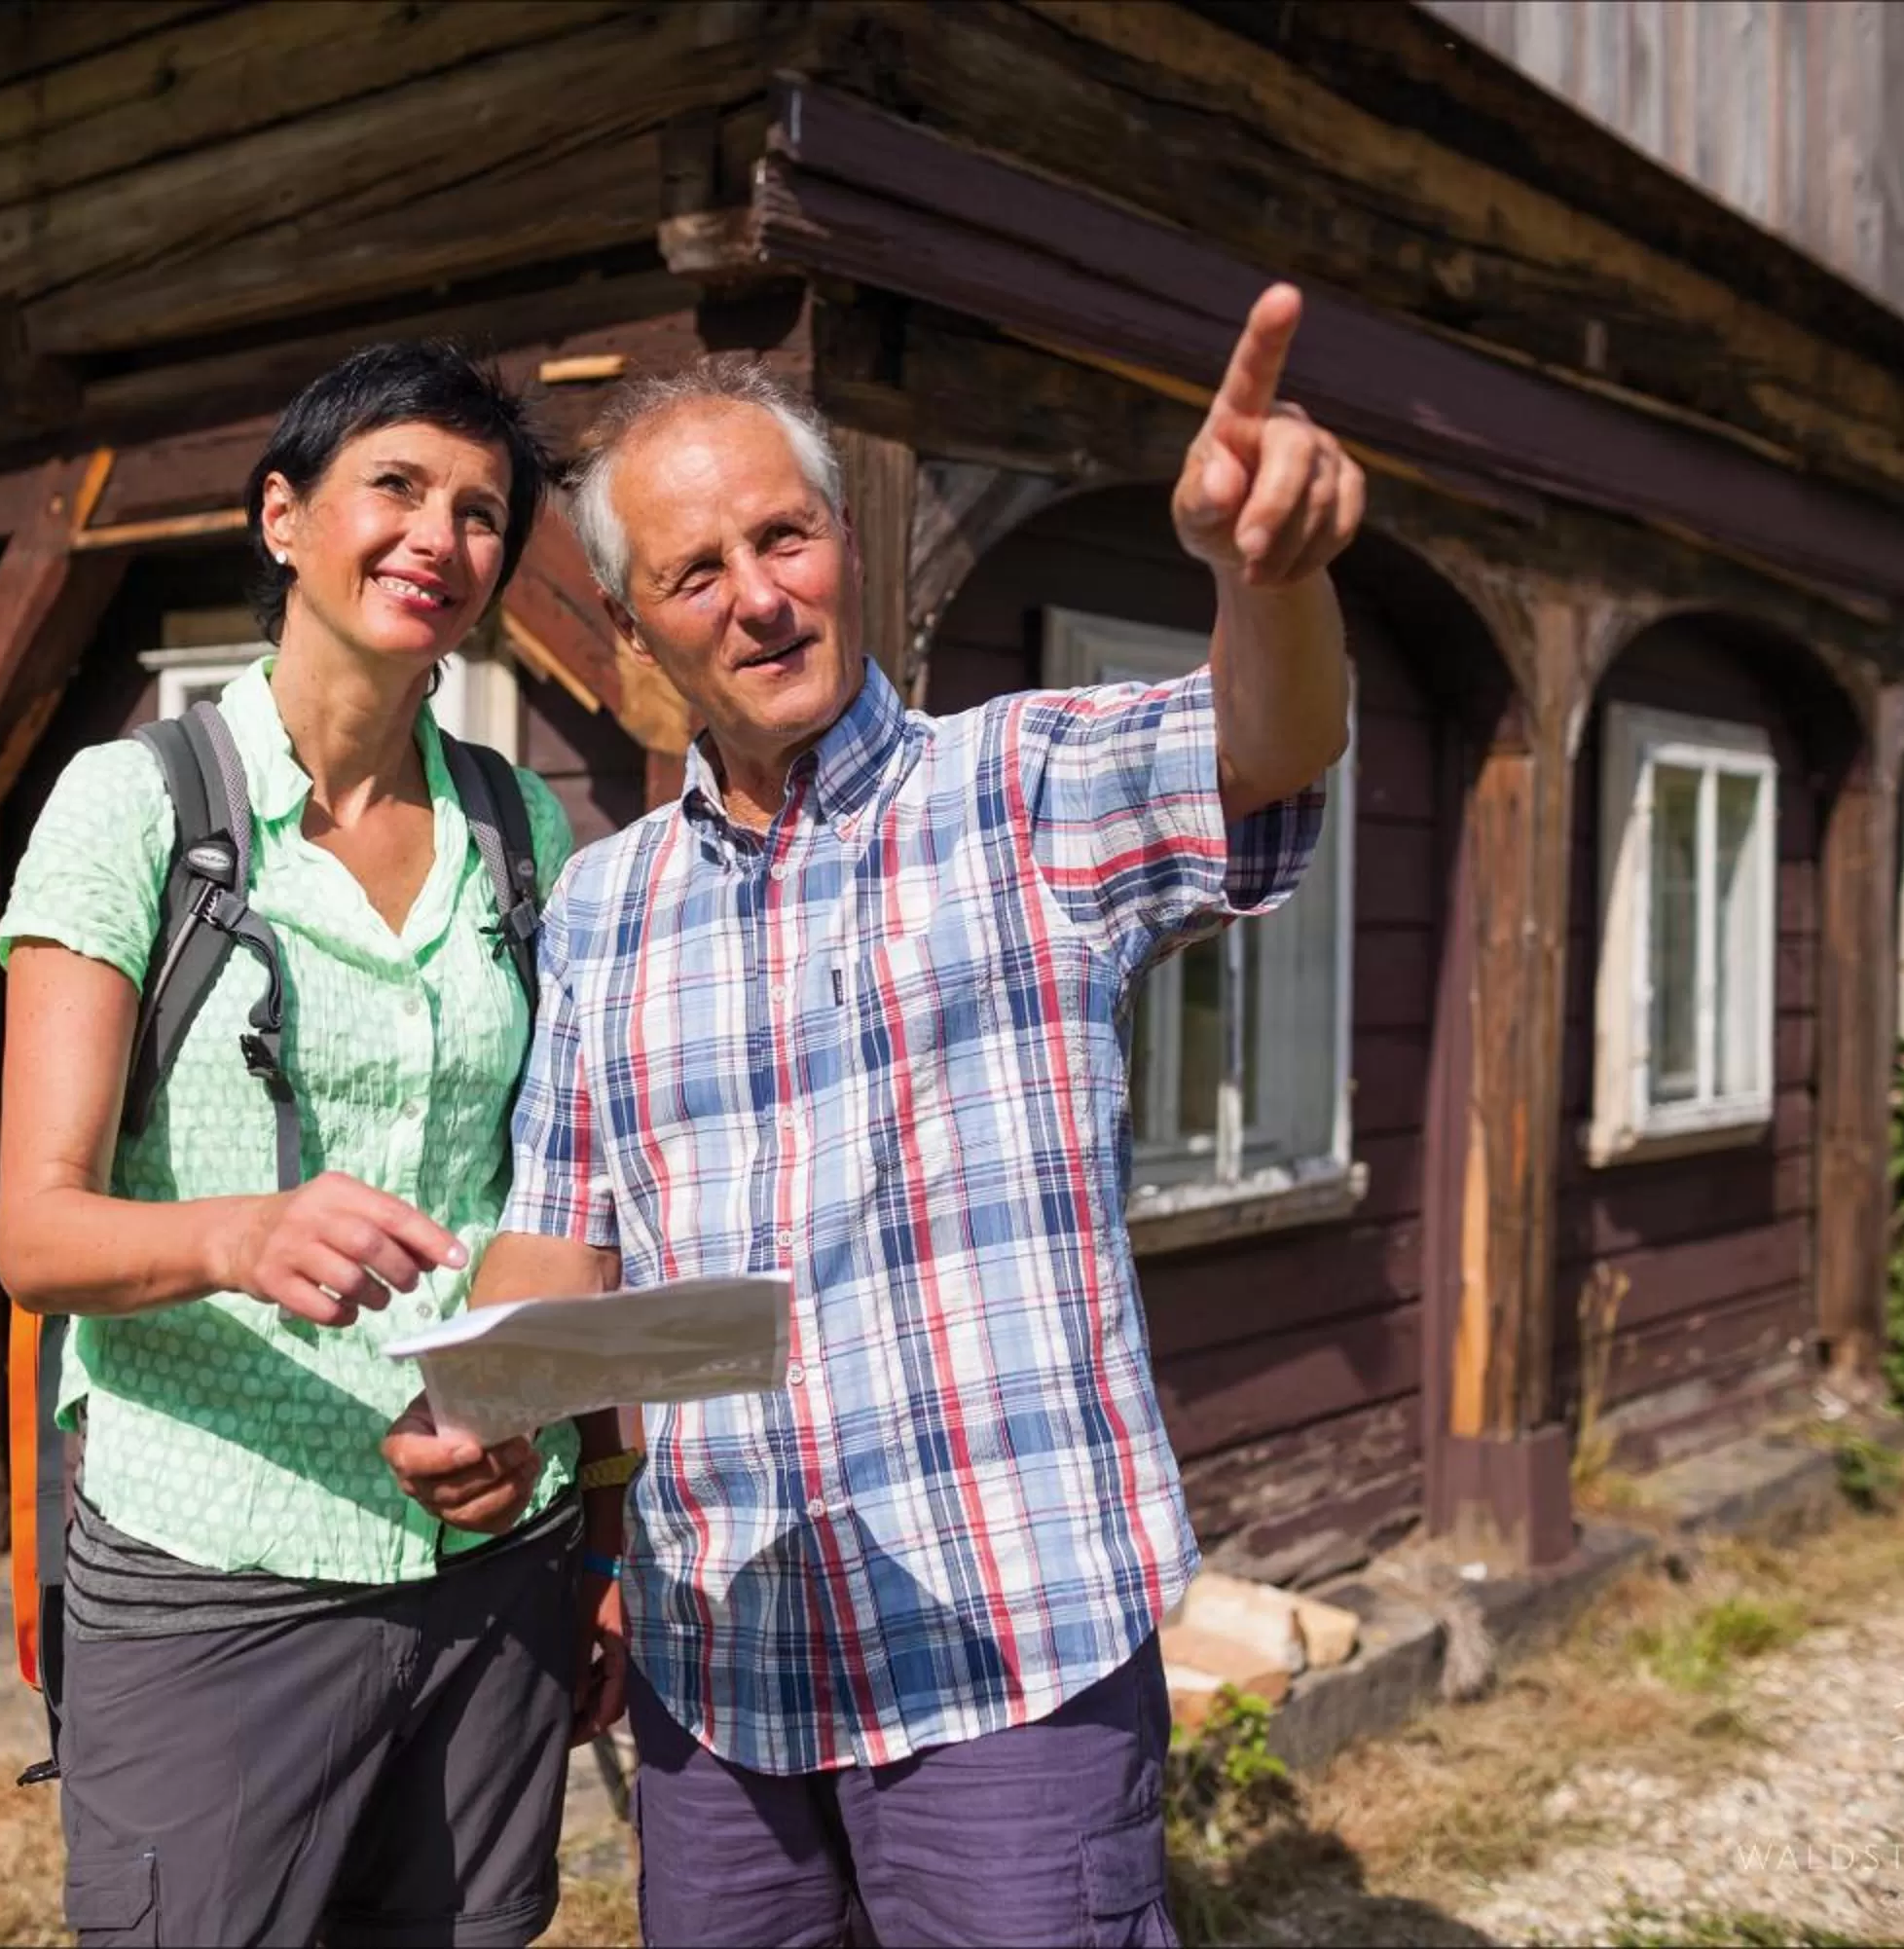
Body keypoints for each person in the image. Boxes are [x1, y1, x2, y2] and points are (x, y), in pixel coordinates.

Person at [387, 286, 1360, 1945]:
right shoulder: (607, 906)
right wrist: (495, 1413)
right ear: (636, 634)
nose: (761, 598)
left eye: (786, 537)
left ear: (843, 537)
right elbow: (557, 1234)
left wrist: (1268, 578)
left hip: (1006, 1652)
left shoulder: (1024, 789)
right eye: (698, 573)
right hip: (723, 1666)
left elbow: (1265, 745)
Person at [0, 340, 628, 1949]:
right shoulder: (133, 805)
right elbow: (33, 1234)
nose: (441, 537)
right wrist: (231, 1232)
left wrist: (529, 1421)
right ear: (283, 516)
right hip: (222, 1563)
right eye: (395, 486)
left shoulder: (519, 824)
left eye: (484, 512)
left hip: (492, 1557)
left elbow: (537, 1189)